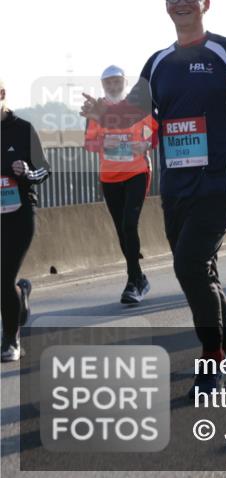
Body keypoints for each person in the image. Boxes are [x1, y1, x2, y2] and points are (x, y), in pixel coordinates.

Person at [80, 0, 226, 397]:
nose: (182, 3)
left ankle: (212, 360)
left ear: (205, 3)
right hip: (176, 186)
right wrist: (104, 113)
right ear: (166, 5)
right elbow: (134, 115)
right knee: (200, 268)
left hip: (222, 180)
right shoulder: (157, 62)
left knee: (189, 265)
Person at [84, 65, 158, 304]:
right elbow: (89, 144)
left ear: (125, 83)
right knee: (121, 230)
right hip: (109, 177)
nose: (113, 87)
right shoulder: (98, 110)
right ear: (103, 86)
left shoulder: (135, 109)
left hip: (136, 172)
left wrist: (145, 145)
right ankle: (139, 279)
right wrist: (105, 144)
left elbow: (157, 131)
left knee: (129, 224)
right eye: (108, 83)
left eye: (117, 82)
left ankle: (132, 281)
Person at [1, 81, 47, 361]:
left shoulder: (23, 129)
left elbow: (44, 170)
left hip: (19, 214)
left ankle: (10, 340)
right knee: (5, 281)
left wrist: (27, 171)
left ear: (3, 95)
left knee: (3, 275)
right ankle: (21, 293)